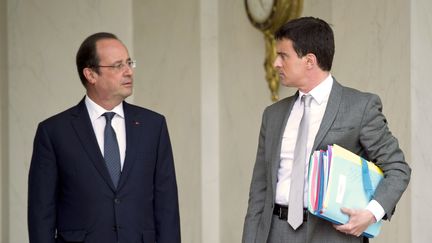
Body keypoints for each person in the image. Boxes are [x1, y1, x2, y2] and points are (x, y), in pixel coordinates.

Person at [242, 17, 411, 243]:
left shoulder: (360, 108)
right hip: (274, 233)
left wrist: (371, 214)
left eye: (283, 55)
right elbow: (259, 193)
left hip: (331, 236)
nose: (275, 64)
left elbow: (397, 168)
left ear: (309, 61)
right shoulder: (272, 115)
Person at [28, 32, 181, 243]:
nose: (128, 72)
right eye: (118, 65)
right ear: (90, 75)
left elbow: (167, 207)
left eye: (129, 63)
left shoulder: (153, 126)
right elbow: (41, 215)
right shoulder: (54, 132)